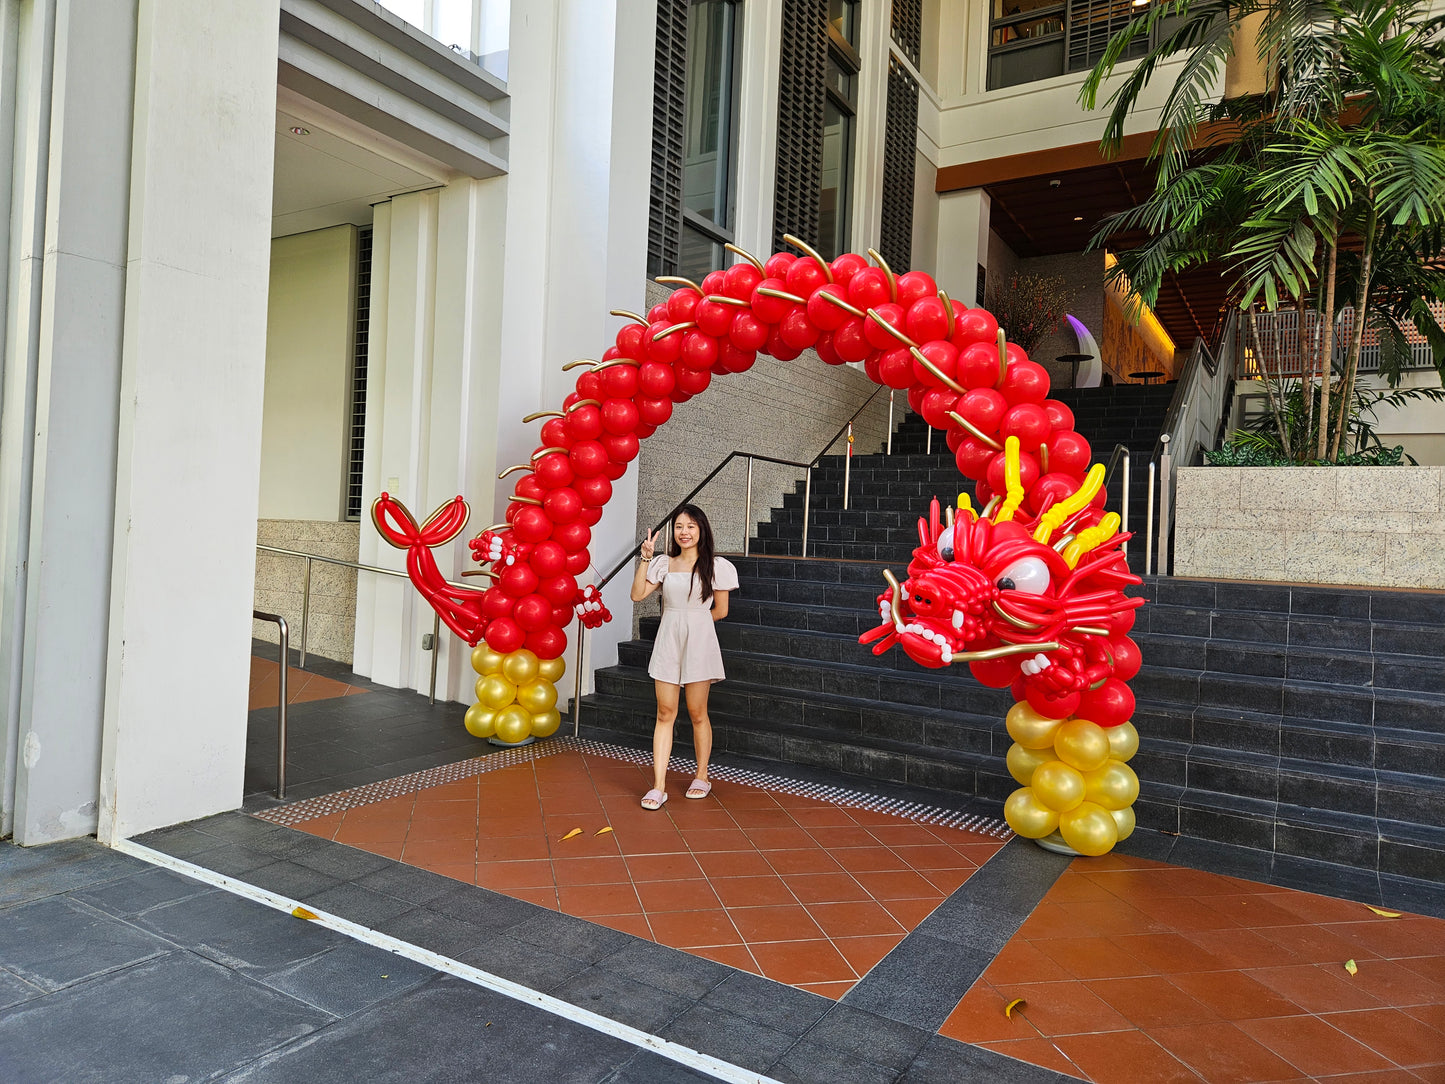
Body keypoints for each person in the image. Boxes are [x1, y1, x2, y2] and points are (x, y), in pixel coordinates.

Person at [629, 504, 738, 810]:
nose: (684, 532)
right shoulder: (663, 563)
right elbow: (637, 595)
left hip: (699, 642)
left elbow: (721, 610)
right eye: (679, 526)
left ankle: (702, 775)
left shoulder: (717, 566)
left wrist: (695, 623)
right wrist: (646, 557)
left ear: (701, 529)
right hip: (668, 640)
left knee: (697, 712)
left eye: (691, 526)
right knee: (665, 712)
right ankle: (659, 786)